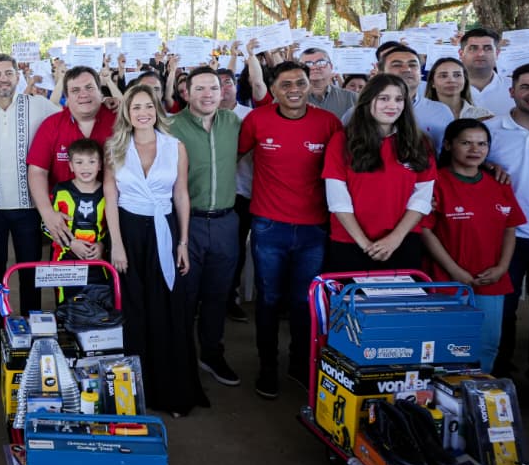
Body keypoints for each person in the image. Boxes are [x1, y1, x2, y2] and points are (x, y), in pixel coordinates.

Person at [238, 61, 342, 400]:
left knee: (303, 301)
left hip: (314, 228)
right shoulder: (257, 120)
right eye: (286, 84)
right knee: (268, 300)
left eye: (300, 82)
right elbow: (231, 157)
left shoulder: (328, 123)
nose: (294, 89)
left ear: (309, 84)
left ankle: (301, 362)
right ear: (273, 88)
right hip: (268, 226)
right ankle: (267, 366)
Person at [104, 85, 206, 417]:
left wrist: (183, 243)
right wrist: (116, 244)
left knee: (167, 310)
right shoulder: (115, 147)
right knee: (133, 312)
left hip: (164, 230)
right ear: (127, 113)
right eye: (136, 107)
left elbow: (181, 196)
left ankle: (172, 392)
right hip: (129, 234)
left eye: (149, 106)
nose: (143, 113)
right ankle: (133, 395)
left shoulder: (174, 147)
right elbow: (111, 198)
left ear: (157, 110)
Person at [422, 118, 524, 373]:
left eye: (482, 144)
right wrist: (454, 271)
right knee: (448, 344)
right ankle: (446, 401)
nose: (474, 149)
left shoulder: (499, 183)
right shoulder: (437, 182)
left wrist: (502, 268)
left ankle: (476, 398)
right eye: (465, 143)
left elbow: (510, 228)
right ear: (447, 145)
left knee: (488, 344)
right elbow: (425, 230)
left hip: (490, 280)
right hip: (447, 279)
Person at [0, 54, 60, 313]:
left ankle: (30, 328)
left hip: (28, 206)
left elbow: (70, 114)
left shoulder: (37, 104)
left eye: (8, 73)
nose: (3, 79)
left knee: (30, 272)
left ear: (18, 76)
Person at [170, 66, 243, 388]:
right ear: (186, 92)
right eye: (199, 88)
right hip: (188, 224)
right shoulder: (171, 127)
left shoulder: (234, 123)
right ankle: (181, 357)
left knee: (217, 294)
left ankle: (211, 353)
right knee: (185, 295)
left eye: (213, 88)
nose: (208, 94)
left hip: (227, 222)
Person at [487, 62, 529, 413]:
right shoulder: (490, 131)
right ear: (511, 91)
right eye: (527, 86)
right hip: (503, 239)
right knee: (502, 312)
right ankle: (499, 376)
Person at [324, 74, 435, 271]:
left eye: (399, 99)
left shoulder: (420, 143)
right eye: (384, 98)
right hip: (350, 242)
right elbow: (338, 200)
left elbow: (422, 198)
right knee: (352, 301)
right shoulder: (342, 141)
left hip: (402, 242)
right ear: (368, 101)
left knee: (401, 302)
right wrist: (365, 244)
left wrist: (395, 238)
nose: (392, 105)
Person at [28, 66, 117, 267]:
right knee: (68, 290)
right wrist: (47, 213)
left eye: (89, 87)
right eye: (75, 91)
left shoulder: (119, 120)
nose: (83, 95)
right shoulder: (51, 125)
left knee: (110, 290)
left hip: (112, 224)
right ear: (66, 97)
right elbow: (37, 171)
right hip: (66, 226)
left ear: (101, 91)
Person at [342, 46, 453, 151]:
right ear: (380, 73)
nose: (407, 69)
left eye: (413, 65)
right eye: (397, 65)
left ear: (420, 73)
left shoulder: (441, 111)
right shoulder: (357, 113)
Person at [46, 138, 105, 261]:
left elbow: (115, 227)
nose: (85, 167)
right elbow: (45, 224)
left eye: (92, 162)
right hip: (63, 260)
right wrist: (70, 243)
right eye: (79, 162)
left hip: (99, 263)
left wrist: (103, 245)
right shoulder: (61, 191)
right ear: (71, 166)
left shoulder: (107, 192)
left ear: (99, 165)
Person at [460, 27, 513, 115]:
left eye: (488, 48)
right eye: (473, 48)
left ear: (497, 54)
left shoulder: (515, 87)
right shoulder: (444, 89)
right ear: (461, 54)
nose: (481, 54)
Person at [427, 56, 492, 120]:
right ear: (433, 83)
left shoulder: (484, 116)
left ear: (465, 80)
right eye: (443, 76)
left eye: (457, 75)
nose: (451, 80)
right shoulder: (421, 115)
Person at [300, 47, 356, 118]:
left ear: (331, 66)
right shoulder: (290, 99)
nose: (314, 67)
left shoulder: (351, 98)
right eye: (308, 64)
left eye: (321, 62)